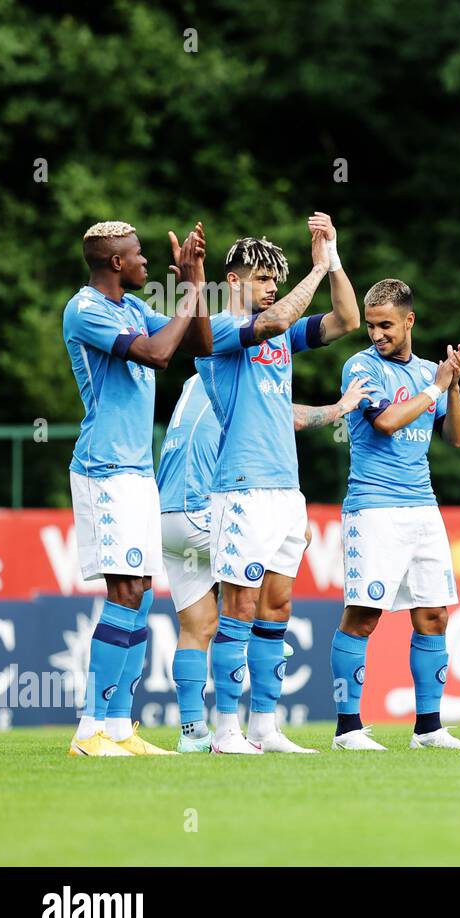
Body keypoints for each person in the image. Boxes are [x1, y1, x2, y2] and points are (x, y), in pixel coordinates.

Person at [196, 214, 361, 754]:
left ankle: (264, 728)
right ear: (235, 280)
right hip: (241, 486)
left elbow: (347, 319)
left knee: (277, 607)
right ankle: (225, 731)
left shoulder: (284, 333)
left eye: (275, 279)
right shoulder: (217, 329)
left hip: (285, 489)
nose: (270, 287)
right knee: (238, 608)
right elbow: (269, 323)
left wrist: (332, 259)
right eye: (262, 277)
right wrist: (312, 271)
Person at [159, 372, 371, 752]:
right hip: (201, 510)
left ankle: (193, 734)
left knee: (197, 625)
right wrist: (341, 407)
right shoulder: (240, 378)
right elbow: (291, 417)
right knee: (283, 556)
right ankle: (256, 707)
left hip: (169, 515)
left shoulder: (197, 379)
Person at [64, 219, 211, 757]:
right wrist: (188, 296)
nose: (147, 262)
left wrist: (194, 281)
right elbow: (156, 354)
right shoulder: (87, 310)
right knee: (124, 592)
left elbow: (197, 343)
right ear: (116, 264)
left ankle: (120, 728)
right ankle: (88, 730)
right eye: (139, 255)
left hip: (135, 472)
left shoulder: (130, 308)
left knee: (141, 592)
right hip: (104, 469)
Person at [329, 278, 460, 751]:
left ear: (409, 320)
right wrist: (435, 388)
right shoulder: (360, 367)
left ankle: (429, 729)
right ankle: (347, 730)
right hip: (374, 509)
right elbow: (387, 422)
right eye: (371, 325)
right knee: (364, 615)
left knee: (434, 615)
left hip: (422, 508)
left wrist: (452, 385)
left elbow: (456, 437)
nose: (377, 334)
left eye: (386, 325)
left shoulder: (429, 374)